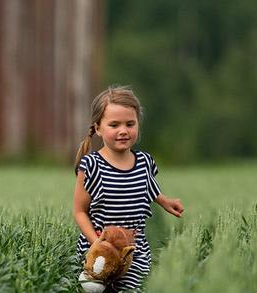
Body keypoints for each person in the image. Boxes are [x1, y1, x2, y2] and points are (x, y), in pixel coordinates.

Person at [73, 85, 185, 291]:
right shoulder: (91, 165)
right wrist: (96, 243)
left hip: (133, 249)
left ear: (138, 125)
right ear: (98, 128)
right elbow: (79, 211)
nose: (123, 130)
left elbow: (148, 186)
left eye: (130, 124)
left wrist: (165, 201)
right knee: (96, 289)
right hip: (98, 247)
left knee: (132, 289)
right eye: (114, 125)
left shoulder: (144, 162)